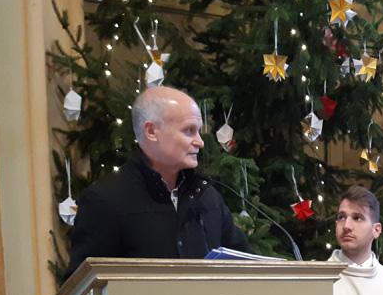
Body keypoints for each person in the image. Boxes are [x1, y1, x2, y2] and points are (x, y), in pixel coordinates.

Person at [68, 86, 250, 275]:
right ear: (151, 131)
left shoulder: (206, 196)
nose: (200, 142)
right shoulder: (104, 200)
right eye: (189, 131)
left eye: (198, 131)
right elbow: (83, 285)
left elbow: (246, 267)